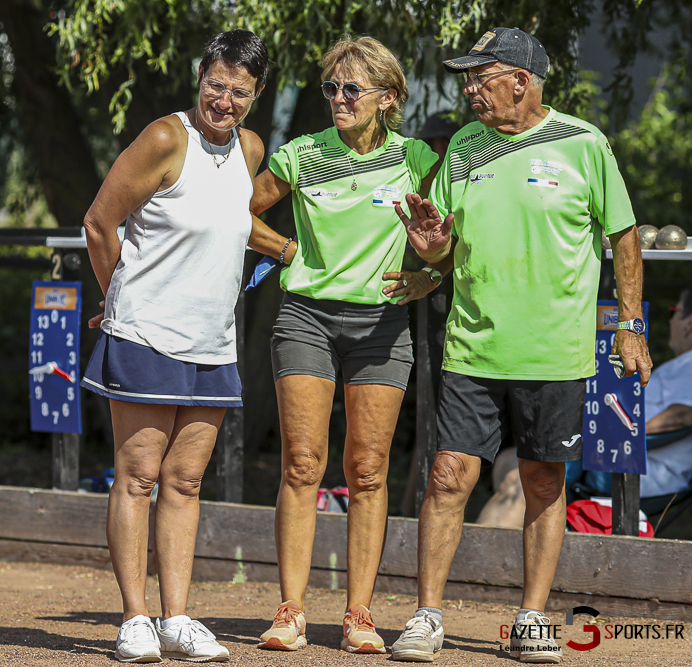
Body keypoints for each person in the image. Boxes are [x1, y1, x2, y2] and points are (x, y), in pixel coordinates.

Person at [389, 27, 652, 664]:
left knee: (541, 480)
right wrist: (432, 250)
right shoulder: (462, 147)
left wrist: (631, 326)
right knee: (448, 477)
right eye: (467, 79)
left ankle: (532, 617)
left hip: (555, 351)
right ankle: (427, 615)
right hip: (472, 346)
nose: (470, 90)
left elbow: (623, 234)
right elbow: (442, 247)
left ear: (521, 81)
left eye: (481, 78)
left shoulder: (584, 143)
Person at [245, 36, 447, 653]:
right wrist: (286, 250)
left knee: (366, 470)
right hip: (305, 317)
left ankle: (360, 614)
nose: (338, 98)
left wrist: (429, 274)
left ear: (388, 97)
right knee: (303, 463)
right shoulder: (302, 154)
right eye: (331, 87)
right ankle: (291, 611)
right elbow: (235, 212)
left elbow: (449, 232)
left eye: (352, 89)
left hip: (382, 325)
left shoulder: (416, 157)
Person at [80, 30, 268, 663]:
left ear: (255, 95)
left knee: (185, 482)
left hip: (214, 342)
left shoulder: (250, 148)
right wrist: (117, 298)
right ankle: (135, 617)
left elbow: (233, 226)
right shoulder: (166, 137)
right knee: (137, 478)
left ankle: (177, 619)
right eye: (215, 84)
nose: (224, 100)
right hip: (146, 334)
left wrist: (291, 251)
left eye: (239, 91)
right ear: (199, 77)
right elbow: (99, 221)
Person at [565, 286, 692, 501]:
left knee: (546, 465)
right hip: (620, 457)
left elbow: (683, 415)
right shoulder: (683, 365)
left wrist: (619, 436)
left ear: (690, 323)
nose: (670, 321)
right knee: (535, 463)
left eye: (673, 312)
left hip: (640, 467)